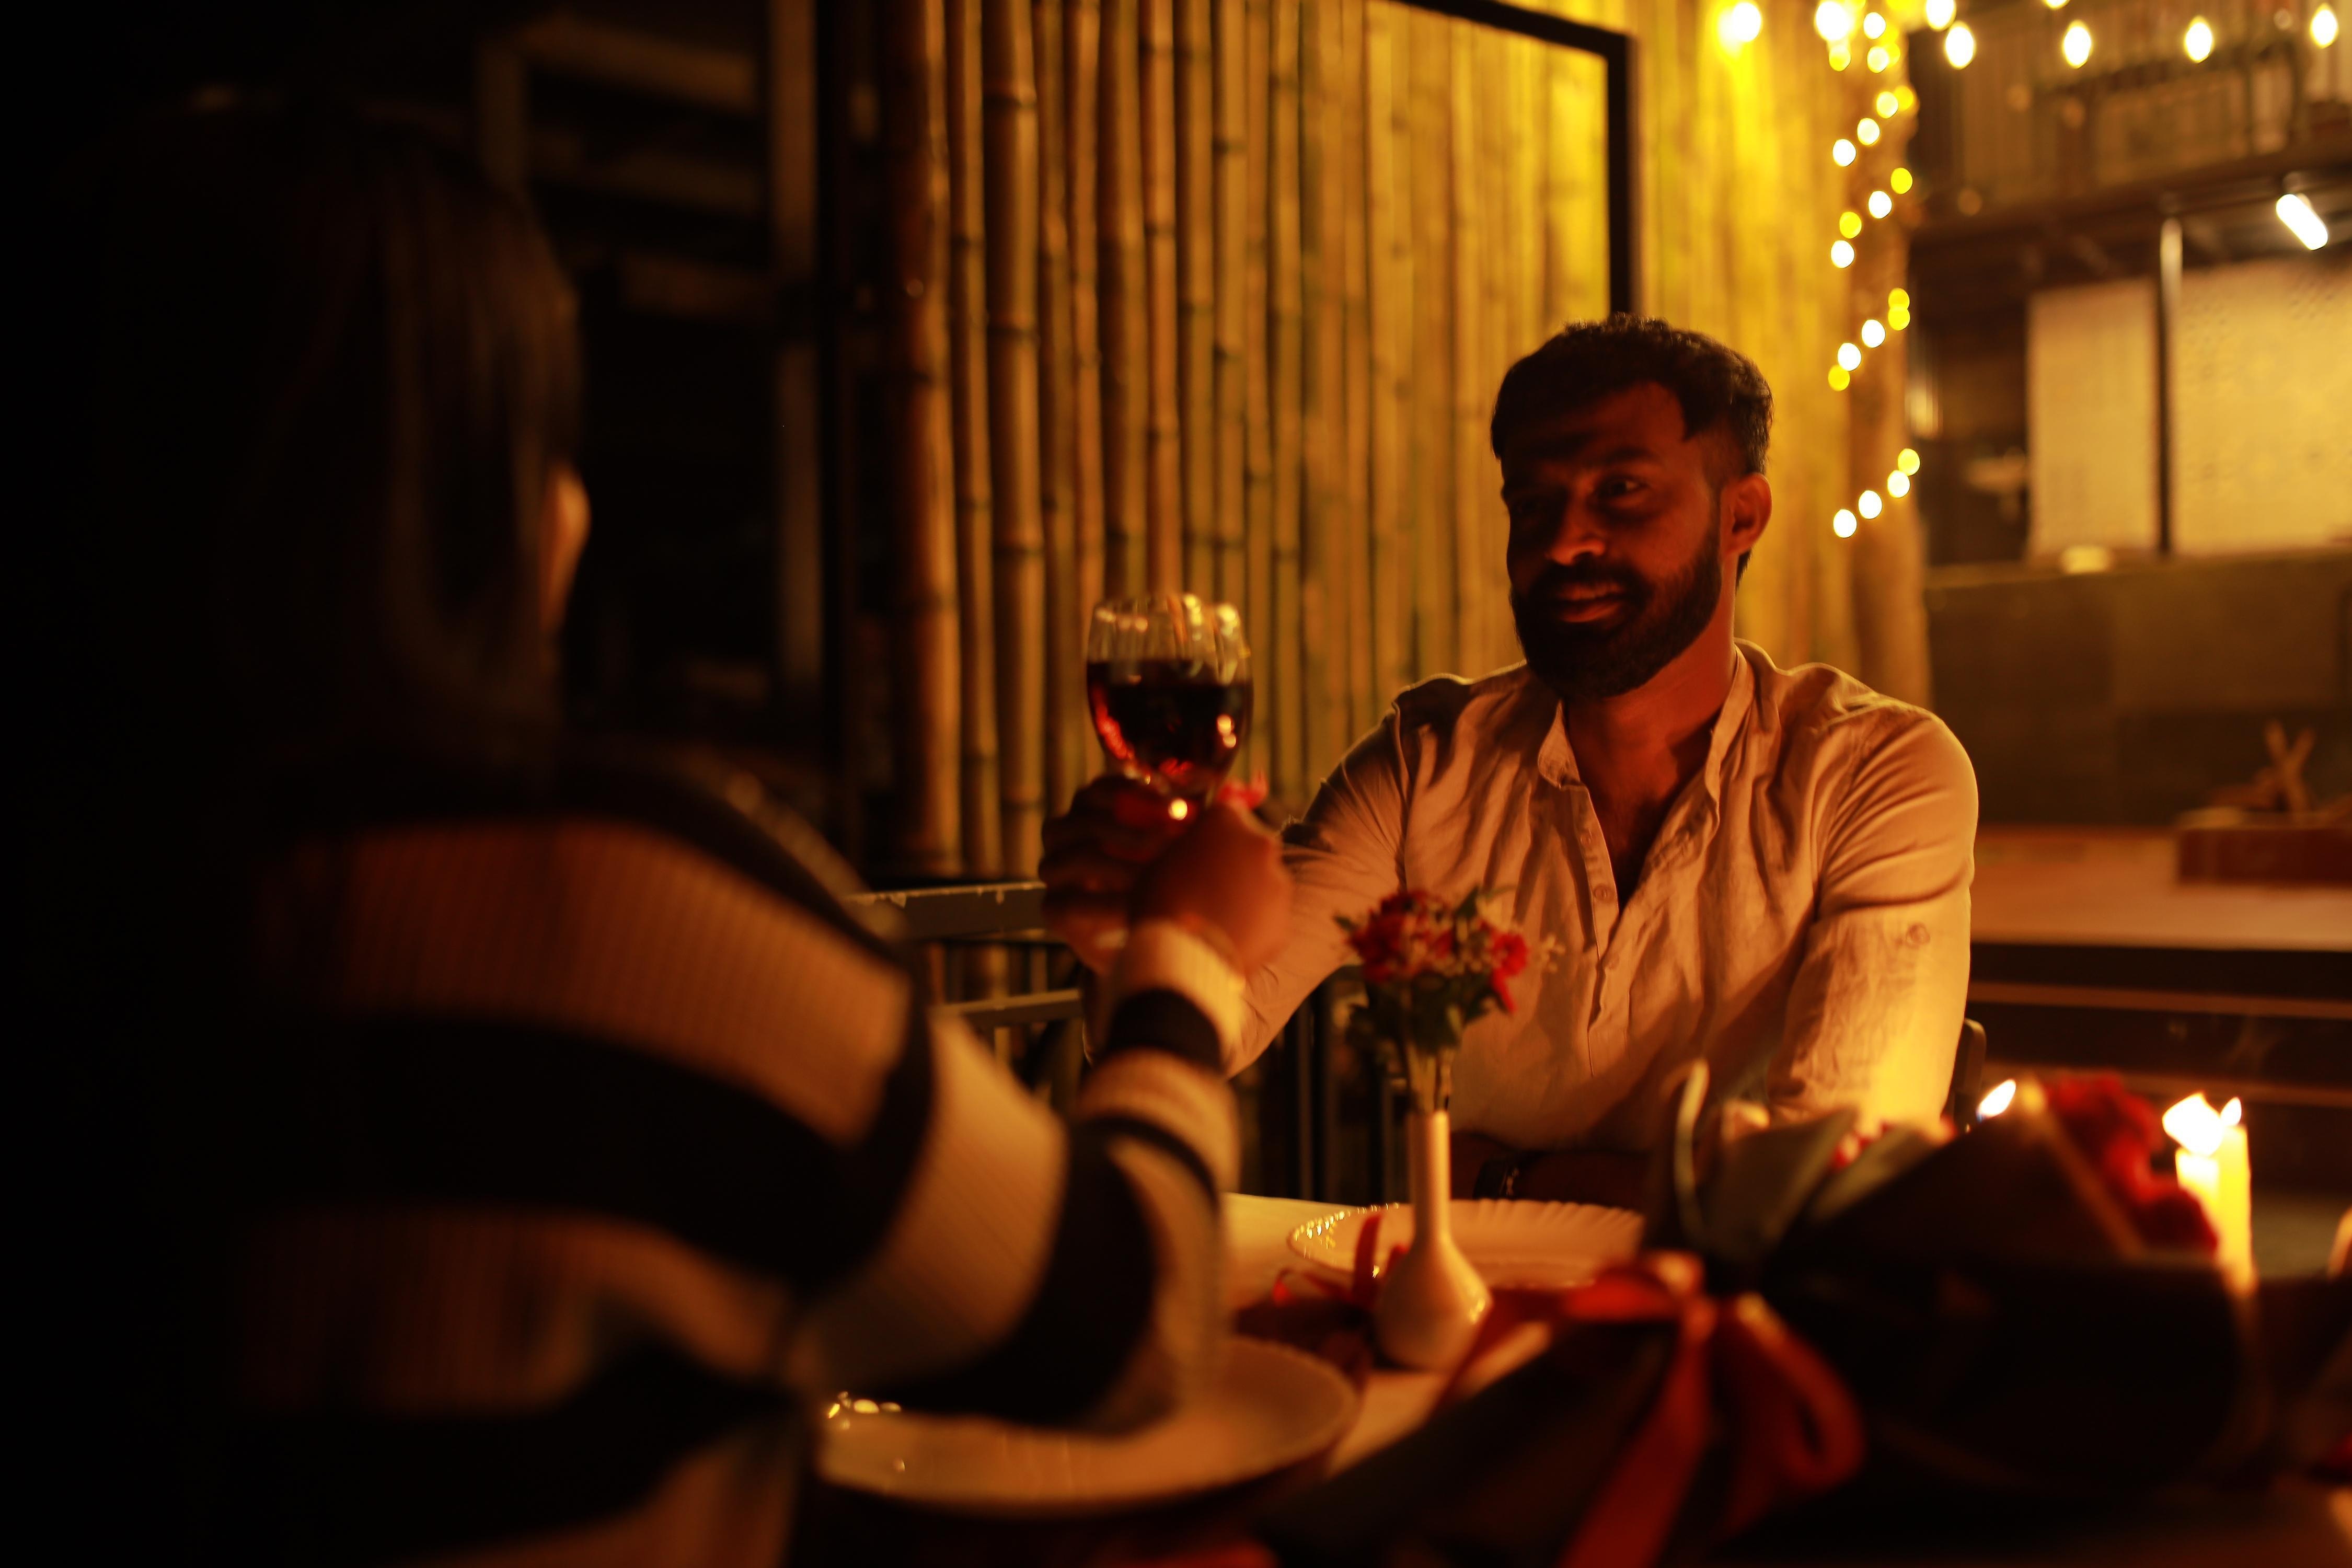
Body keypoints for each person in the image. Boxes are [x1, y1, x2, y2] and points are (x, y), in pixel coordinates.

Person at [44, 101, 1289, 1565]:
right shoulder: (610, 907)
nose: (574, 513)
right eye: (544, 443)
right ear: (464, 503)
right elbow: (1125, 1325)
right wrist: (1185, 957)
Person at [1043, 317, 1976, 1207]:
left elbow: (1826, 1178)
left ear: (1742, 516)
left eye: (1621, 490)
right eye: (1533, 504)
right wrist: (1133, 937)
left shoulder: (1875, 772)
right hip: (1466, 1301)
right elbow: (1224, 1017)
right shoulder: (1426, 765)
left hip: (1733, 1309)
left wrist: (1501, 1177)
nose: (1564, 542)